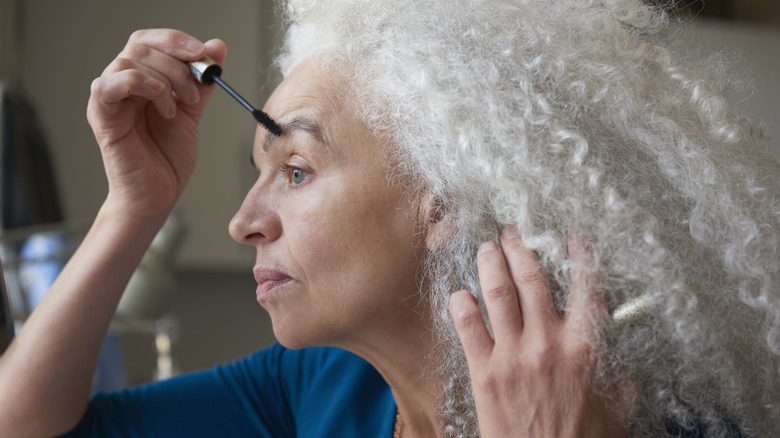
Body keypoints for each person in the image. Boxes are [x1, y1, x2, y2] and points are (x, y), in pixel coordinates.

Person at [1, 0, 779, 436]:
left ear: (443, 201)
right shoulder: (322, 387)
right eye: (262, 172)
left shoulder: (659, 422)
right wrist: (133, 205)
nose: (244, 222)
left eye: (296, 171)